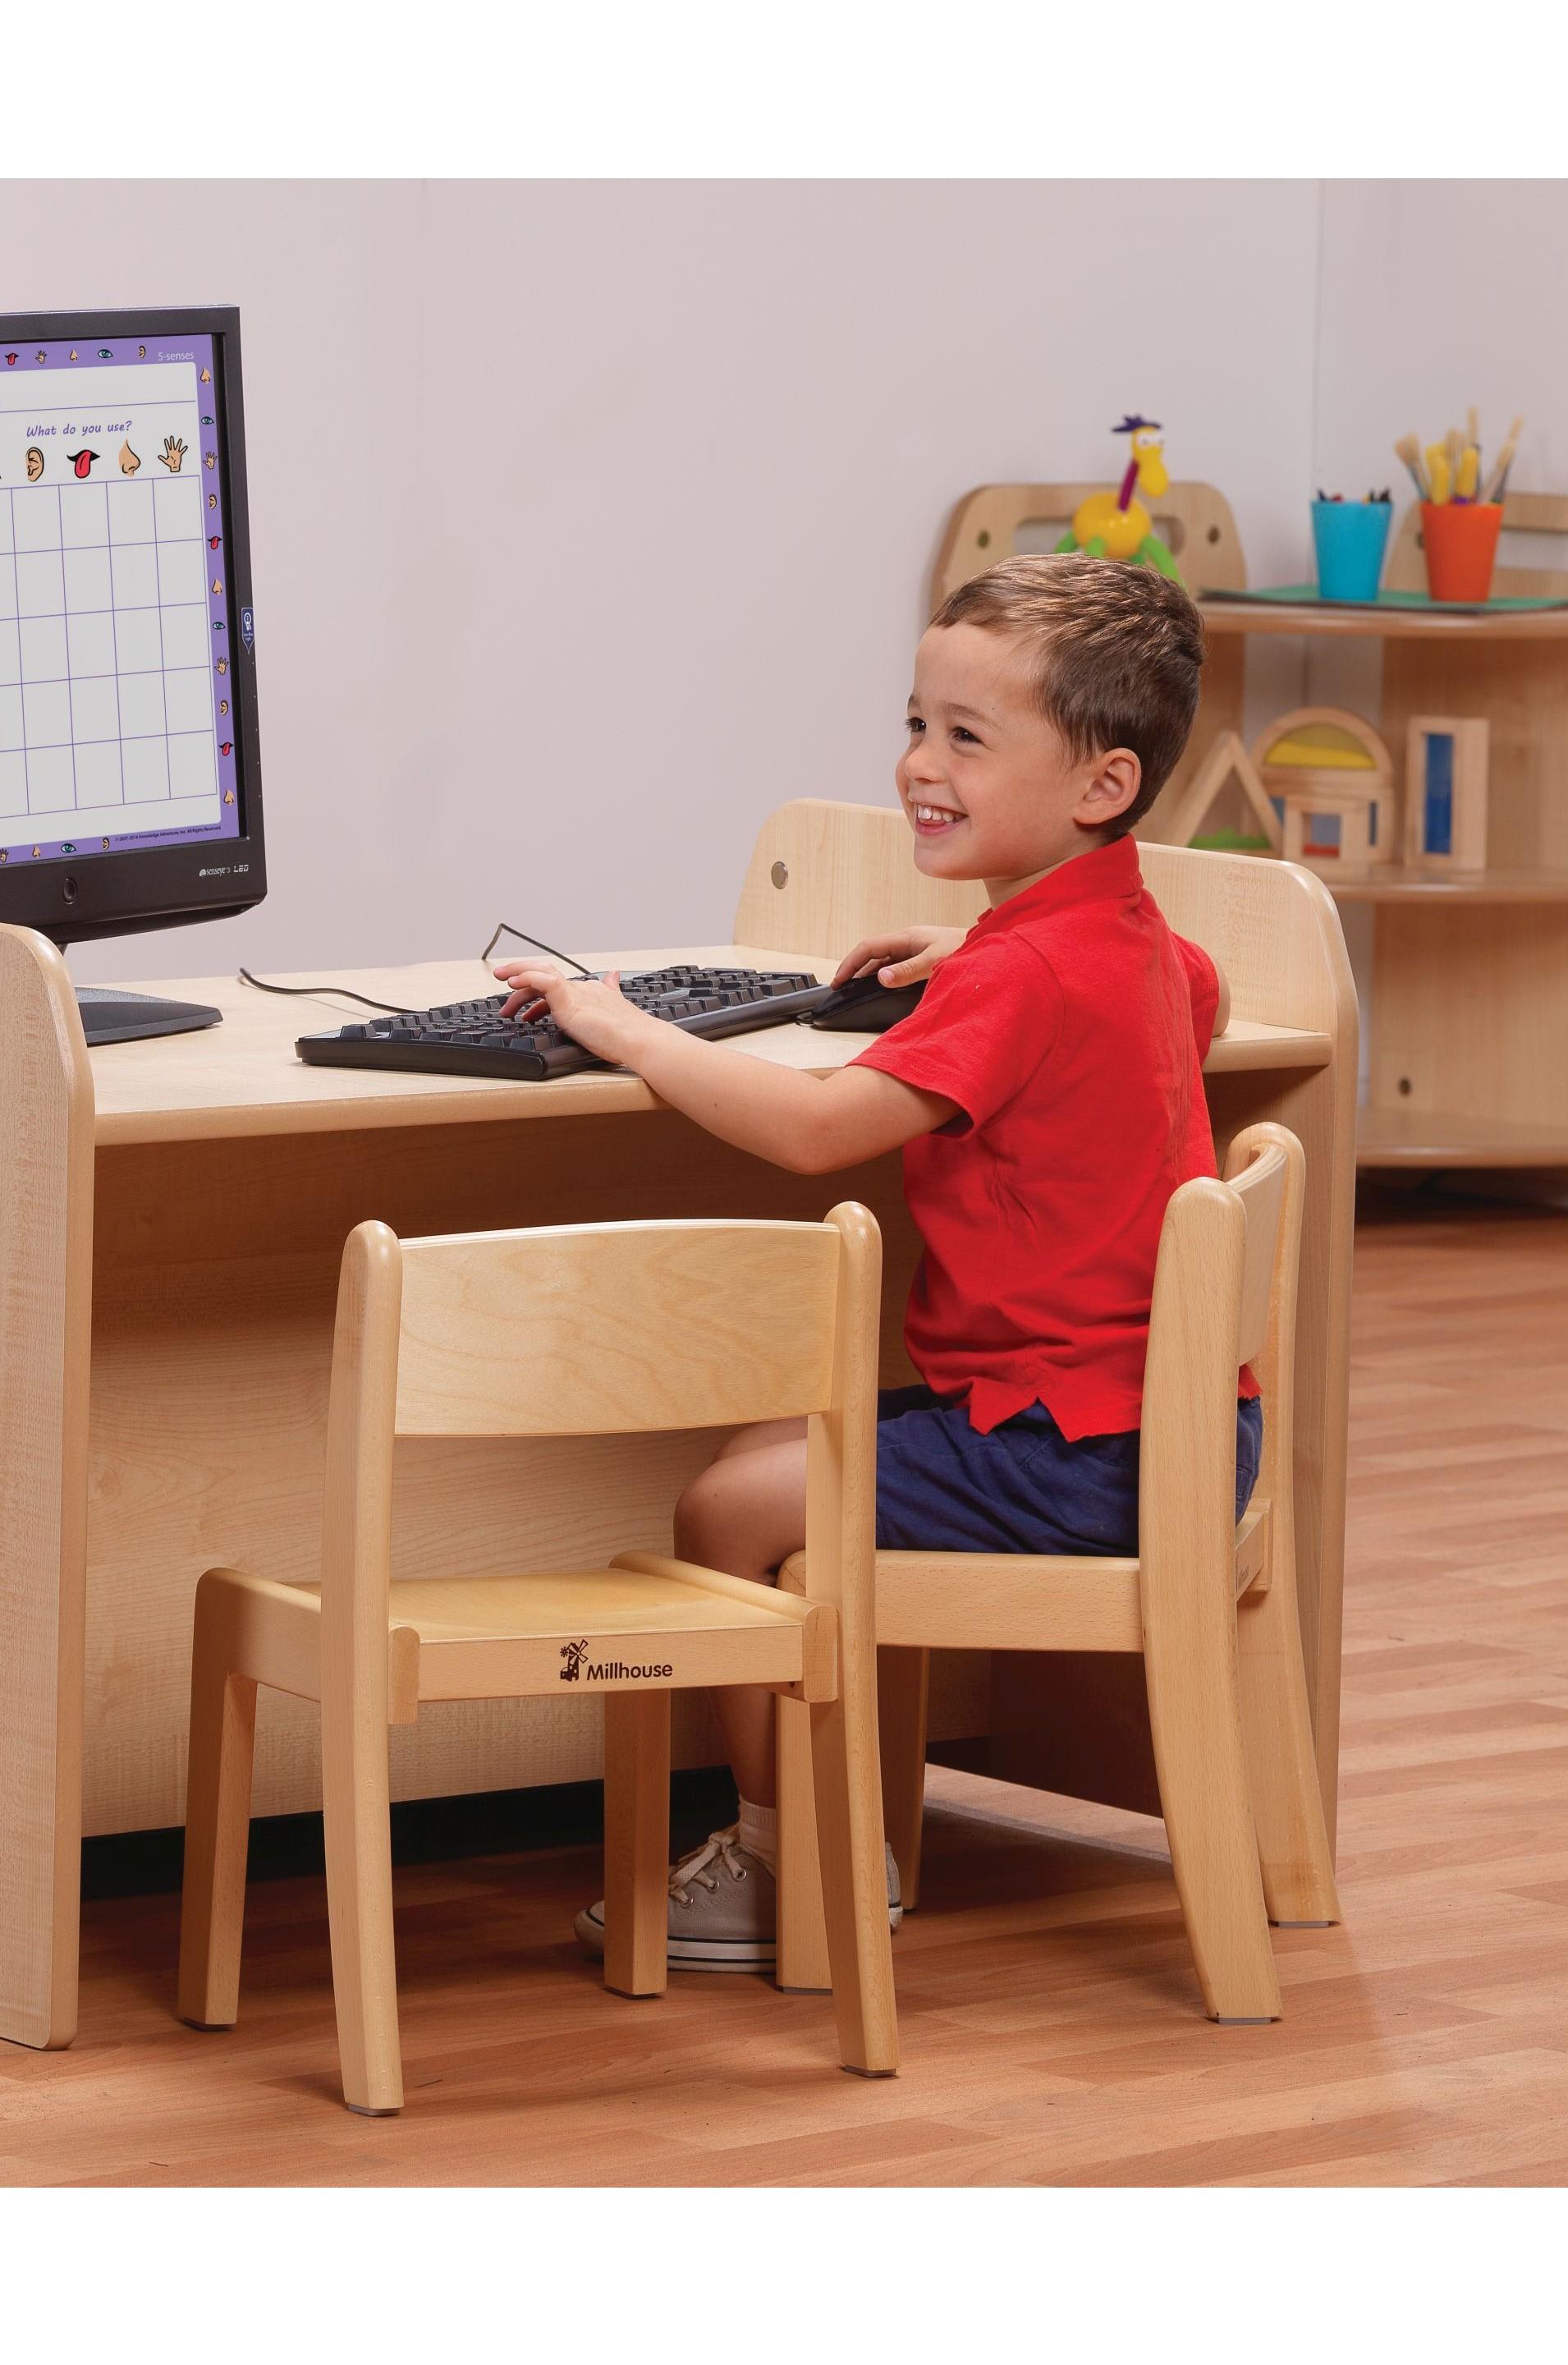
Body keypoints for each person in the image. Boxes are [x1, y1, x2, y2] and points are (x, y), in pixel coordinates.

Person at [489, 553, 1258, 1969]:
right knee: (763, 1451)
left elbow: (816, 1132)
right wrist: (977, 952)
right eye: (917, 723)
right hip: (1179, 1423)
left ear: (1104, 786)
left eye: (969, 740)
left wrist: (628, 1030)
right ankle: (833, 1844)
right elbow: (1192, 999)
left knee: (725, 1508)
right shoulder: (1128, 936)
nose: (919, 766)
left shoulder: (1027, 974)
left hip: (1082, 1448)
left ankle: (794, 1866)